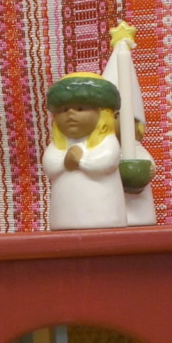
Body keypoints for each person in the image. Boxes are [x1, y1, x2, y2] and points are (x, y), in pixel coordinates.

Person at [42, 73, 127, 229]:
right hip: (64, 213)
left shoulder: (107, 141)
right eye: (64, 110)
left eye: (80, 109)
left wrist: (81, 161)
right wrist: (64, 162)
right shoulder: (58, 145)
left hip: (104, 211)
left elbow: (107, 161)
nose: (70, 114)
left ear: (102, 113)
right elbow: (50, 164)